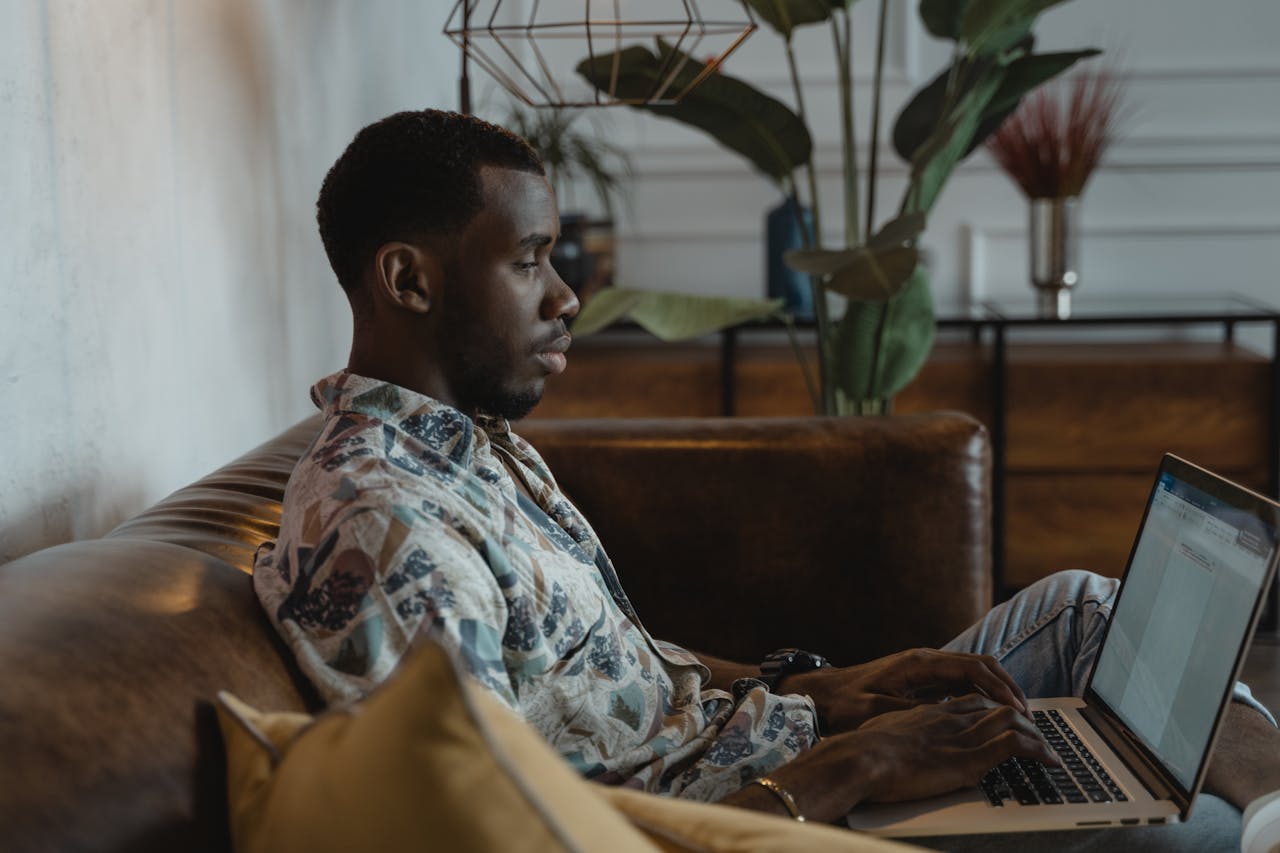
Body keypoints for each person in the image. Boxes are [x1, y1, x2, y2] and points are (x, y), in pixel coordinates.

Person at [253, 109, 1280, 850]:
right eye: (530, 260)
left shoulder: (468, 446)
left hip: (772, 752)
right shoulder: (384, 530)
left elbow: (613, 674)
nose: (567, 295)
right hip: (771, 819)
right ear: (408, 278)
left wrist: (816, 690)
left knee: (1079, 610)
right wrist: (859, 765)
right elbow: (524, 828)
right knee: (1181, 827)